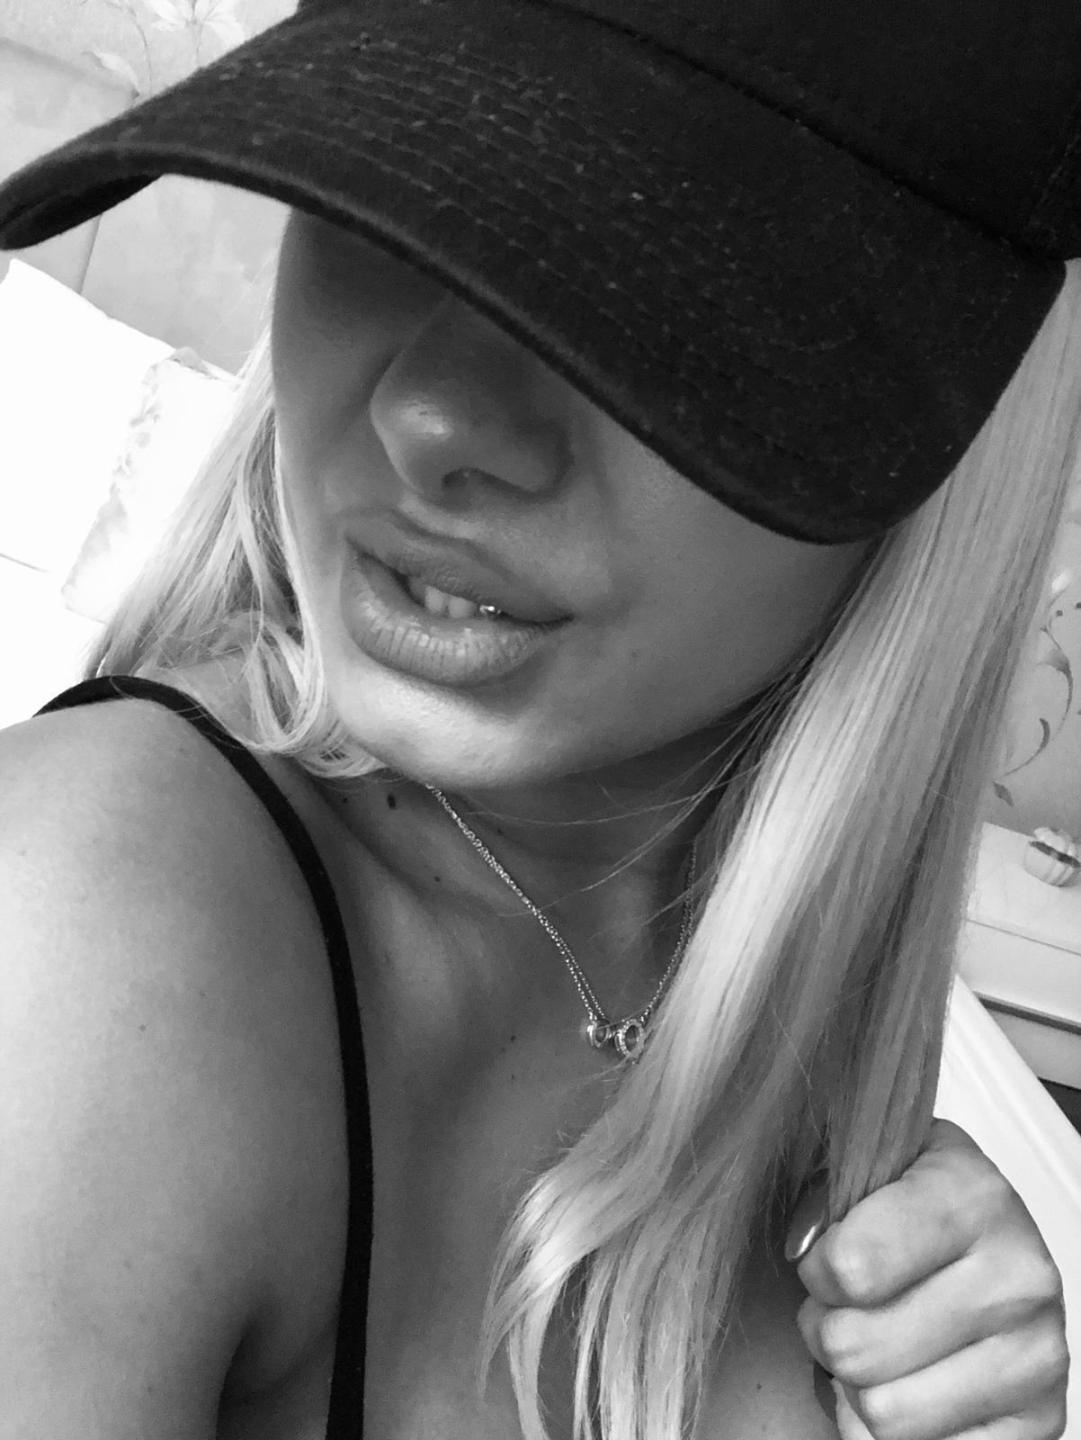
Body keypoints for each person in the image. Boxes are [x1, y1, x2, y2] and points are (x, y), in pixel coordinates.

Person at [0, 1, 1074, 1437]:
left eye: (666, 284)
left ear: (951, 438)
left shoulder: (787, 984)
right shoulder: (79, 927)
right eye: (388, 189)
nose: (434, 421)